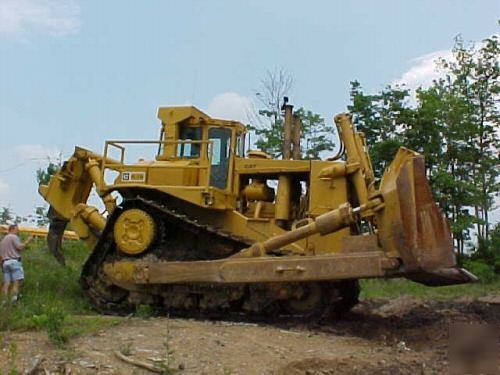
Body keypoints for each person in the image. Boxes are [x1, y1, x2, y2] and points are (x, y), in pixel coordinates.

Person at [0, 224, 33, 303]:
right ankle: (14, 299)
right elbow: (20, 247)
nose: (18, 231)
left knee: (6, 283)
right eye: (17, 229)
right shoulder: (13, 237)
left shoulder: (3, 240)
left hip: (5, 262)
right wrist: (28, 240)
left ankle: (3, 301)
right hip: (14, 262)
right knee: (16, 281)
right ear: (12, 229)